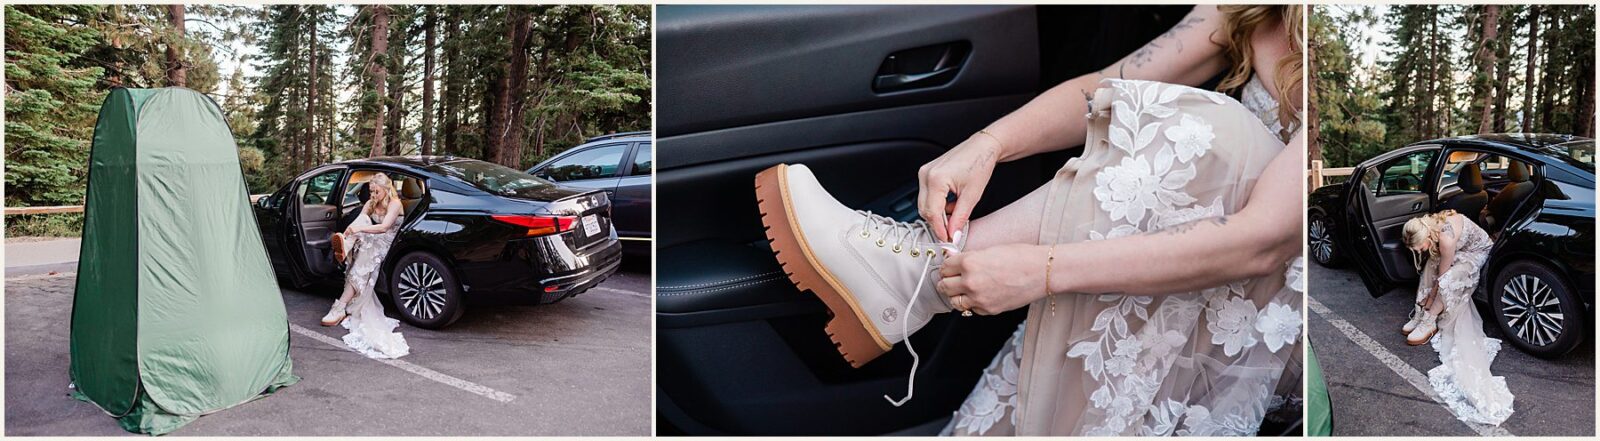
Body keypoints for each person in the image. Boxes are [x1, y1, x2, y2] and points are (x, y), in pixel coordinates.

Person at [753, 5, 1303, 435]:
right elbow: (1103, 88)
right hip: (1184, 255)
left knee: (1222, 137)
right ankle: (916, 278)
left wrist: (1044, 270)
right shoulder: (1248, 8)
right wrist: (988, 145)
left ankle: (919, 274)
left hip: (1280, 312)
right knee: (1150, 115)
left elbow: (1263, 241)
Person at [1401, 210, 1514, 426]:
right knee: (1429, 265)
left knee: (1449, 279)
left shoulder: (1444, 238)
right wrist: (1423, 301)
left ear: (1425, 236)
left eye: (1418, 247)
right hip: (1458, 250)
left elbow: (1441, 279)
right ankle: (1419, 313)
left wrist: (1431, 300)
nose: (1417, 251)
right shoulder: (1432, 227)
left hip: (1476, 253)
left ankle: (1429, 319)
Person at [321, 174, 412, 360]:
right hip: (372, 239)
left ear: (386, 189)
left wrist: (359, 231)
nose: (373, 195)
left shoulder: (394, 203)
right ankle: (345, 244)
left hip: (388, 242)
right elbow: (361, 221)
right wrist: (351, 230)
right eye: (370, 191)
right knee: (362, 229)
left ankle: (340, 306)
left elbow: (384, 227)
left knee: (365, 245)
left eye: (376, 191)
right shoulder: (370, 203)